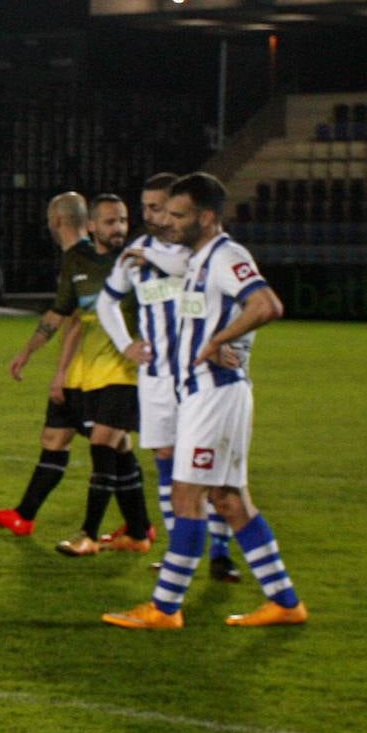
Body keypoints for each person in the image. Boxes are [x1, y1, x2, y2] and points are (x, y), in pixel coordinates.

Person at [103, 172, 306, 629]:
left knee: (186, 493)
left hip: (214, 392)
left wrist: (219, 341)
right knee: (230, 501)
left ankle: (164, 608)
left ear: (207, 217)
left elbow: (266, 304)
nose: (169, 222)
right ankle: (286, 602)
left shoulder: (224, 255)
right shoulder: (197, 259)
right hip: (203, 392)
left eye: (179, 215)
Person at [96, 173, 240, 580]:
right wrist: (126, 344)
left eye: (158, 207)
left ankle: (220, 554)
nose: (152, 216)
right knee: (165, 460)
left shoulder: (196, 251)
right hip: (157, 377)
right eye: (146, 208)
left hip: (201, 375)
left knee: (208, 468)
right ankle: (181, 552)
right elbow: (108, 301)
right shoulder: (137, 251)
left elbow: (186, 267)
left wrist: (153, 259)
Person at [44, 195, 154, 557]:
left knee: (103, 444)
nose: (119, 228)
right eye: (110, 221)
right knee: (119, 448)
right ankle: (138, 531)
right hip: (93, 371)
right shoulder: (91, 264)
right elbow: (75, 315)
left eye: (122, 220)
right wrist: (60, 369)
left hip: (129, 373)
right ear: (92, 227)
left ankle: (88, 534)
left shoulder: (141, 263)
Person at [0, 192, 93, 535]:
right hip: (85, 368)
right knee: (55, 439)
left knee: (112, 446)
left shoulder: (81, 260)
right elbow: (58, 314)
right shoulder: (83, 257)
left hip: (92, 370)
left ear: (57, 221)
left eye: (49, 218)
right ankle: (24, 516)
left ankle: (139, 527)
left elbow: (75, 321)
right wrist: (27, 353)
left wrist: (61, 372)